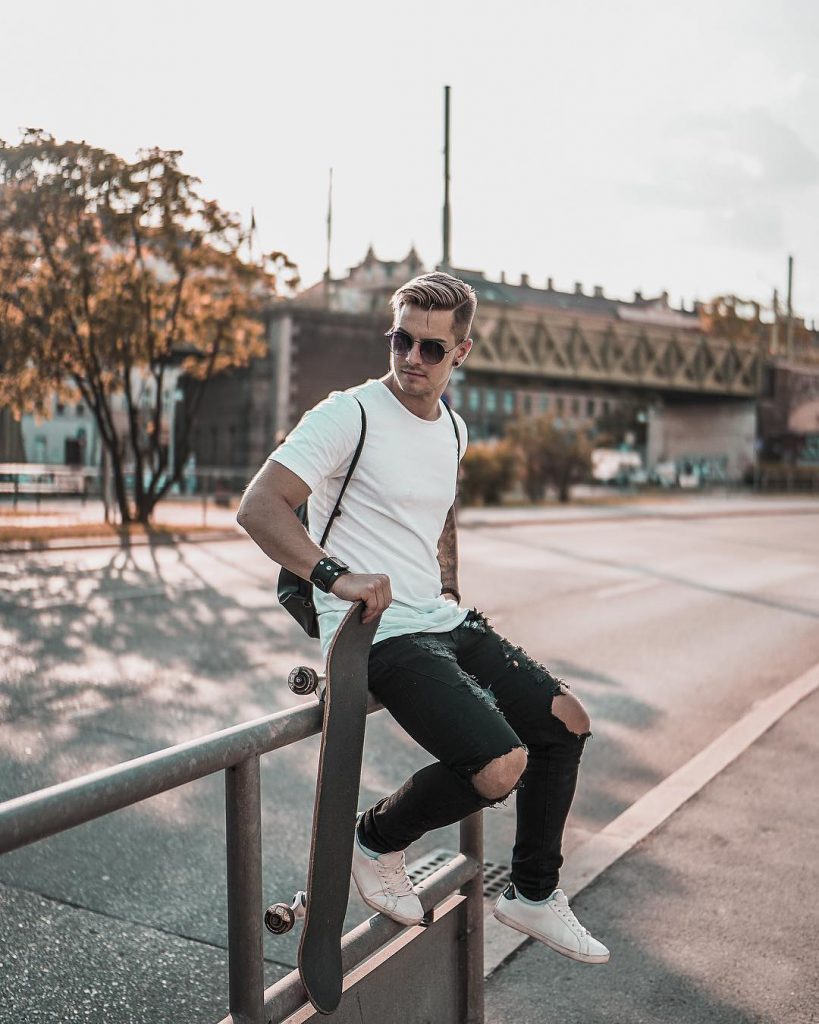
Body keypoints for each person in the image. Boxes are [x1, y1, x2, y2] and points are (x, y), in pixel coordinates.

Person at [237, 271, 609, 964]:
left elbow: (430, 528)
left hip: (438, 619)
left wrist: (446, 592)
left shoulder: (456, 430)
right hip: (377, 633)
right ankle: (372, 840)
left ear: (460, 353)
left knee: (565, 723)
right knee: (500, 765)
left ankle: (531, 895)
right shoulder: (348, 413)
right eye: (400, 339)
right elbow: (258, 507)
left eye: (430, 348)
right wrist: (332, 575)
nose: (411, 356)